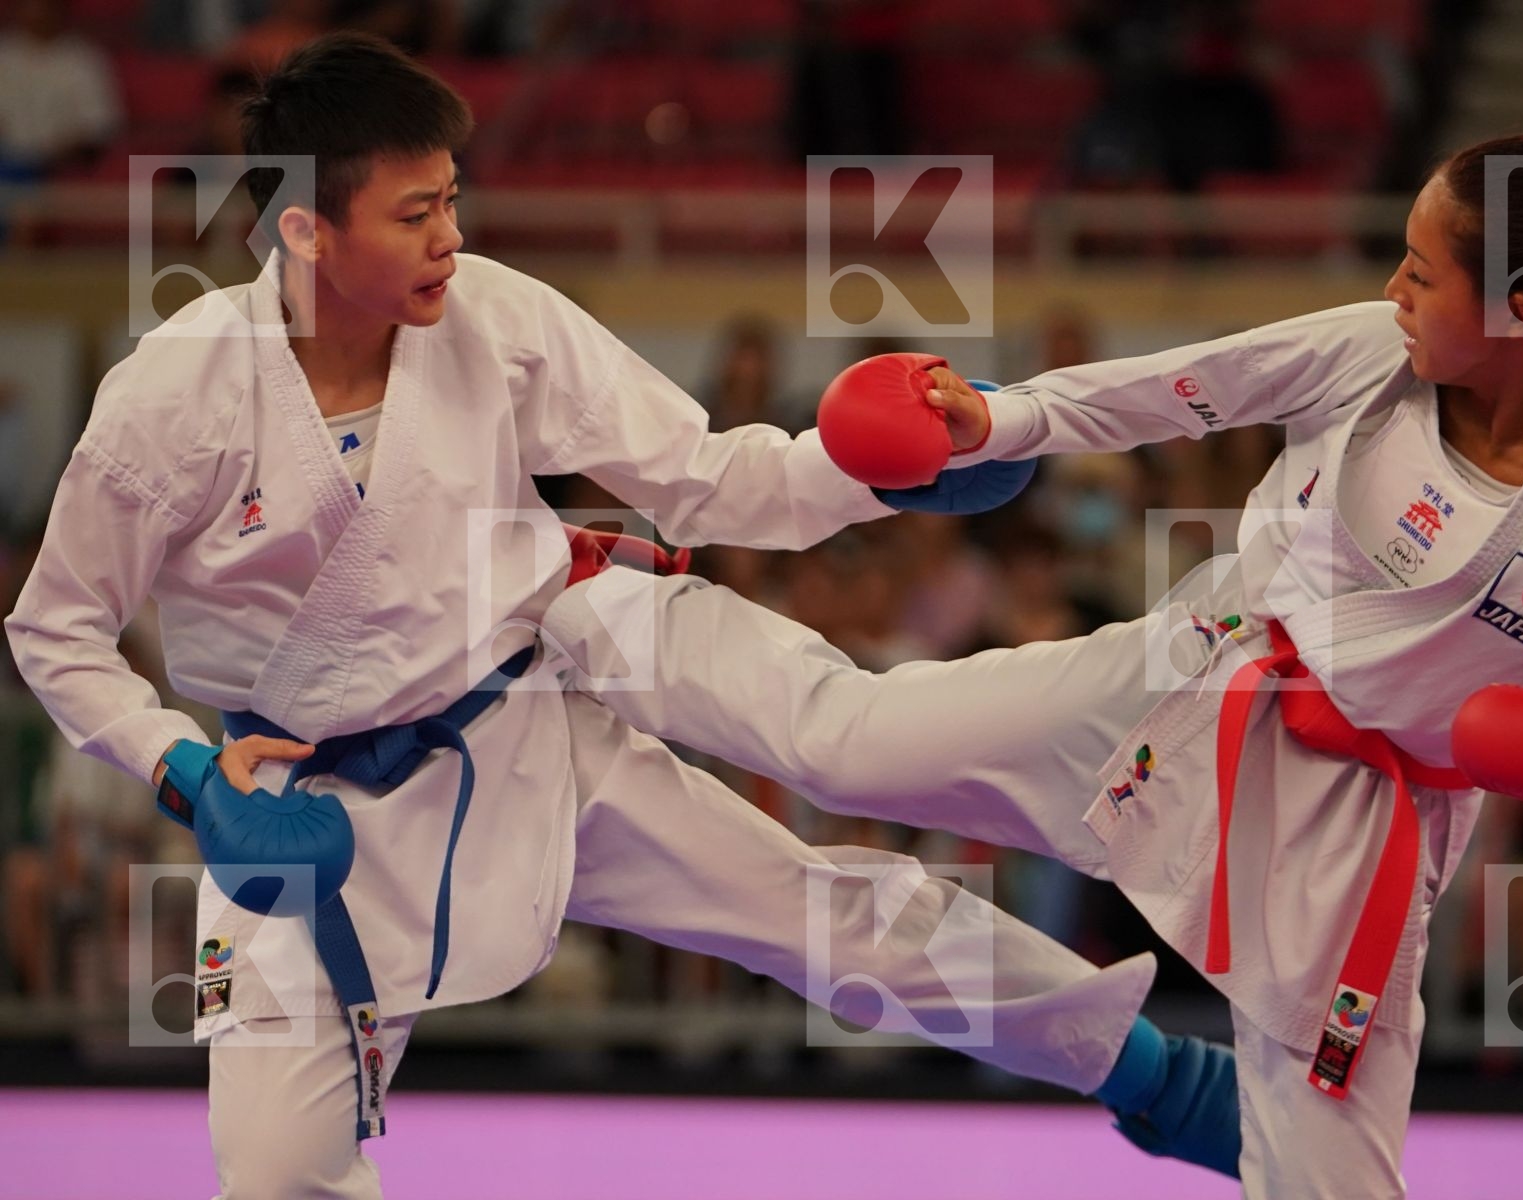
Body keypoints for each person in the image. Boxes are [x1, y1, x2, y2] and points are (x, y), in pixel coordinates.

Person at [4, 34, 1219, 1199]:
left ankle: (1149, 1070)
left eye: (453, 199)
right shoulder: (175, 395)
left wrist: (885, 472)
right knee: (272, 1176)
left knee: (827, 889)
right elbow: (54, 628)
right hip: (295, 816)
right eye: (416, 213)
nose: (452, 237)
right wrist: (184, 774)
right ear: (309, 230)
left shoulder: (494, 317)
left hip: (527, 716)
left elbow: (701, 473)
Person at [538, 135, 1523, 1196]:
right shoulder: (1369, 351)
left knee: (1323, 1174)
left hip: (1346, 822)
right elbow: (1178, 392)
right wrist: (993, 417)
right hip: (1195, 676)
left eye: (1420, 271)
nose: (1393, 289)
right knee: (844, 741)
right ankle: (589, 599)